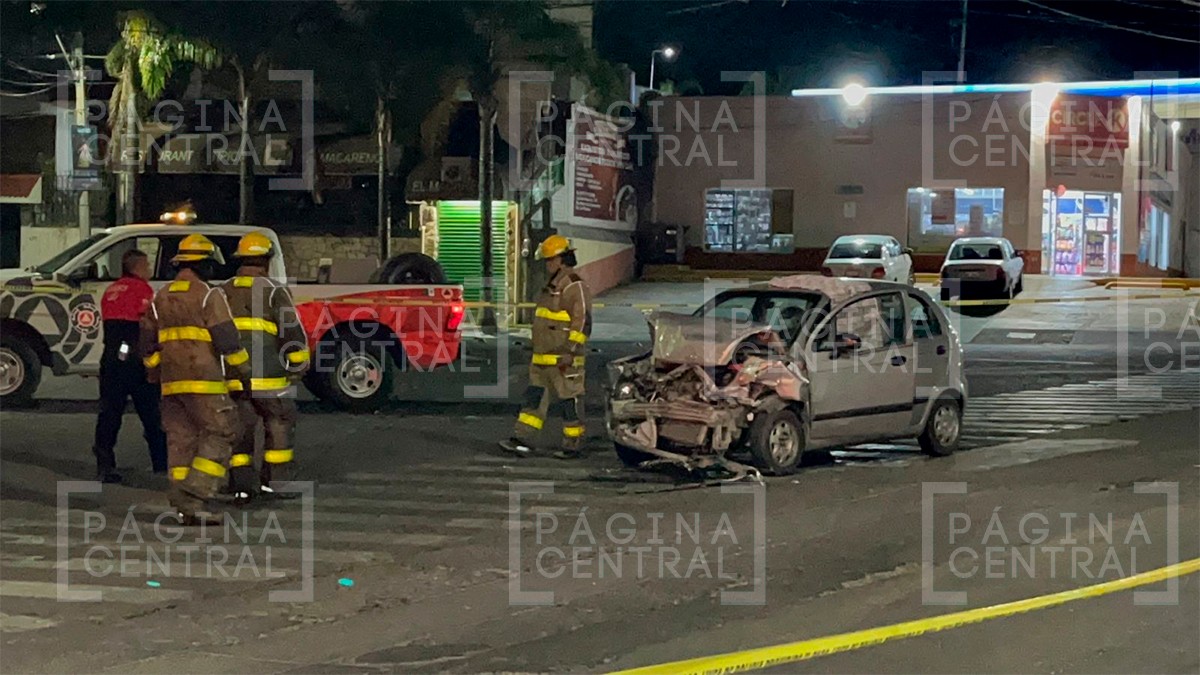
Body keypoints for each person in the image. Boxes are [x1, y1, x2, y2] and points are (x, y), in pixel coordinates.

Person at [140, 234, 250, 525]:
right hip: (205, 381)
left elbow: (147, 343)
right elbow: (227, 339)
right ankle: (197, 491)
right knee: (223, 431)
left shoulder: (160, 296)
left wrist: (154, 370)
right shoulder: (208, 295)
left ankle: (183, 504)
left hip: (171, 383)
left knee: (181, 441)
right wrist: (244, 372)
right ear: (203, 264)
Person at [219, 232, 309, 505]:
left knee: (241, 432)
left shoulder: (223, 291)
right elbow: (291, 332)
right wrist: (297, 367)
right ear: (266, 261)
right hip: (270, 380)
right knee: (279, 425)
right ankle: (276, 483)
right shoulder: (273, 291)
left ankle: (242, 487)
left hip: (235, 379)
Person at [500, 234, 592, 460]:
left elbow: (582, 322)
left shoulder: (574, 286)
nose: (547, 265)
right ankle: (523, 439)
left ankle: (573, 444)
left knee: (569, 402)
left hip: (563, 360)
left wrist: (570, 351)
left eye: (550, 260)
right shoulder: (551, 286)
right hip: (542, 359)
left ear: (562, 260)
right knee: (534, 400)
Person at [92, 249, 167, 483]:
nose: (148, 270)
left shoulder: (111, 290)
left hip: (112, 356)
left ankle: (105, 464)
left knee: (110, 412)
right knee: (151, 413)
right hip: (133, 357)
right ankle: (161, 463)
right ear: (137, 267)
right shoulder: (141, 290)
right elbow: (146, 323)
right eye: (146, 266)